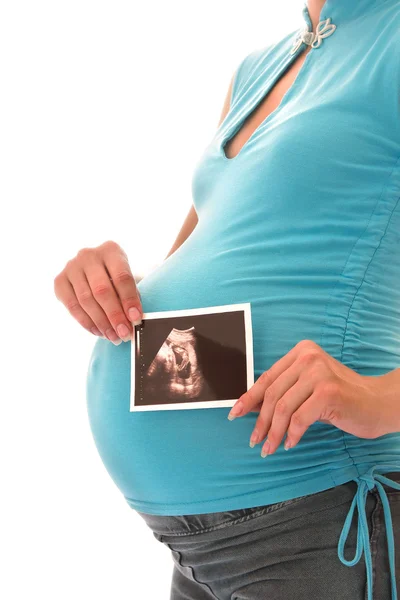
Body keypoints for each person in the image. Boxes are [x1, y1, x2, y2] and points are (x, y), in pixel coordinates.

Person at [53, 0, 400, 598]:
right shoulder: (258, 68)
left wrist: (377, 398)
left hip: (315, 511)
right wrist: (106, 289)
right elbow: (201, 273)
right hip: (191, 543)